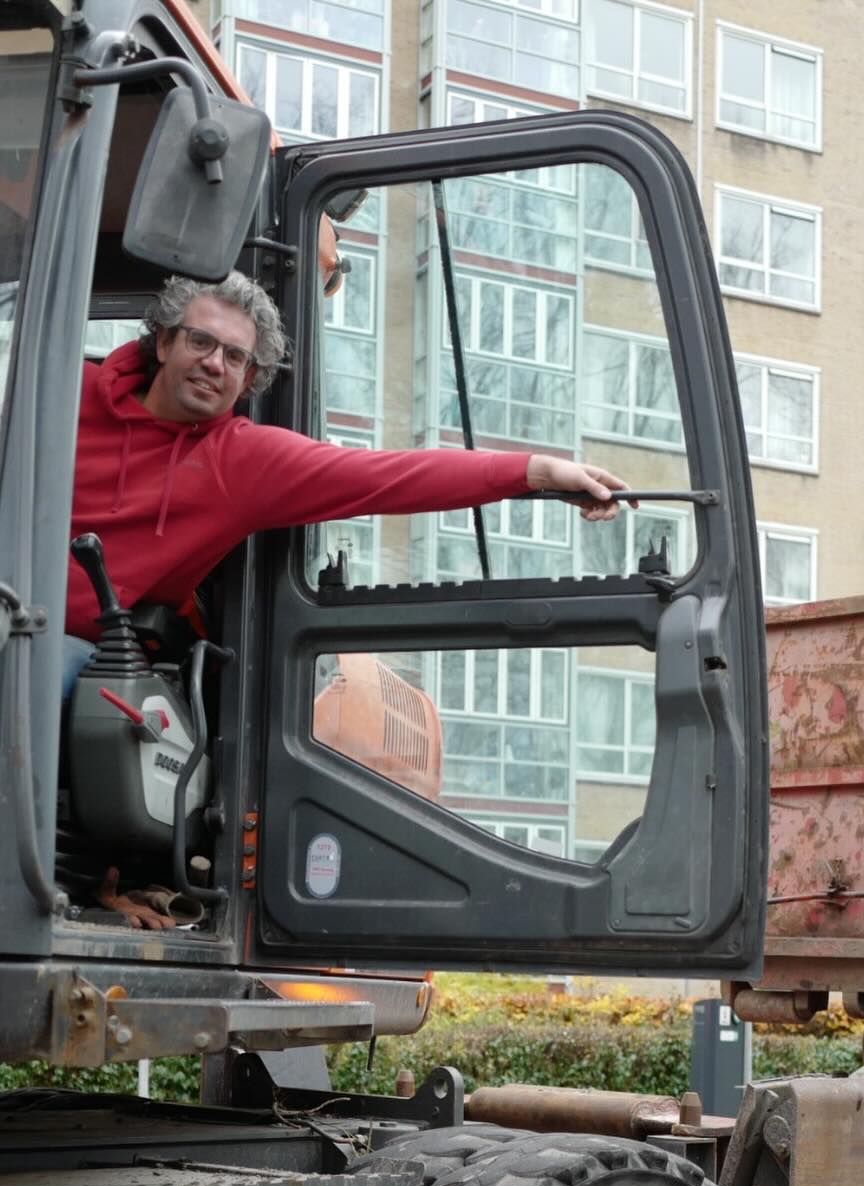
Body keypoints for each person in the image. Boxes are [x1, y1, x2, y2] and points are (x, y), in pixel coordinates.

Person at [67, 270, 632, 926]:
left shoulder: (241, 463)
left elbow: (387, 476)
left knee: (40, 671)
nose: (214, 363)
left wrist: (535, 473)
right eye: (200, 341)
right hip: (17, 607)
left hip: (72, 651)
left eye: (235, 357)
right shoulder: (62, 395)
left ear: (249, 380)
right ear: (163, 341)